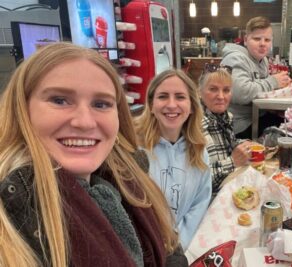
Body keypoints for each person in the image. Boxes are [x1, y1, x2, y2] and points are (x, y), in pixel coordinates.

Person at [0, 42, 186, 266]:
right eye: (60, 100)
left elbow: (170, 249)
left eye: (101, 104)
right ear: (22, 110)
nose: (85, 122)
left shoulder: (134, 182)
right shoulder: (10, 219)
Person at [135, 69, 211, 250]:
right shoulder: (134, 149)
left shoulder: (199, 151)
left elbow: (198, 206)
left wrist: (177, 248)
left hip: (181, 249)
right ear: (151, 105)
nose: (171, 104)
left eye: (180, 97)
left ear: (192, 106)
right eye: (162, 97)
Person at [221, 16, 291, 139]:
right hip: (238, 125)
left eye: (267, 40)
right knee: (290, 132)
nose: (263, 44)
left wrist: (273, 108)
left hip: (258, 115)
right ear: (246, 40)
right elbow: (240, 93)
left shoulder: (262, 60)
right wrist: (274, 81)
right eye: (257, 39)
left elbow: (261, 90)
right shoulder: (235, 58)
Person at [199, 64, 252, 197]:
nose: (221, 96)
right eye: (213, 89)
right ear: (200, 92)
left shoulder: (225, 117)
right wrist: (233, 162)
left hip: (230, 191)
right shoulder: (195, 127)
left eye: (226, 90)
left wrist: (248, 144)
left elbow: (225, 146)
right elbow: (198, 182)